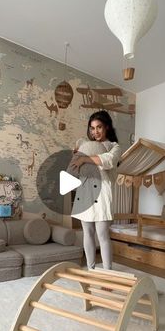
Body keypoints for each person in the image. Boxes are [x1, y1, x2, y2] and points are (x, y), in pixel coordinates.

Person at [70, 110, 121, 270]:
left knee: (102, 234)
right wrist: (77, 155)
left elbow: (108, 161)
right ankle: (91, 270)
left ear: (106, 127)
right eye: (92, 128)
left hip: (102, 193)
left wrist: (84, 158)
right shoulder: (87, 145)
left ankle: (107, 273)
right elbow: (75, 167)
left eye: (99, 127)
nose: (95, 132)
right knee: (88, 233)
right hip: (85, 191)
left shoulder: (114, 146)